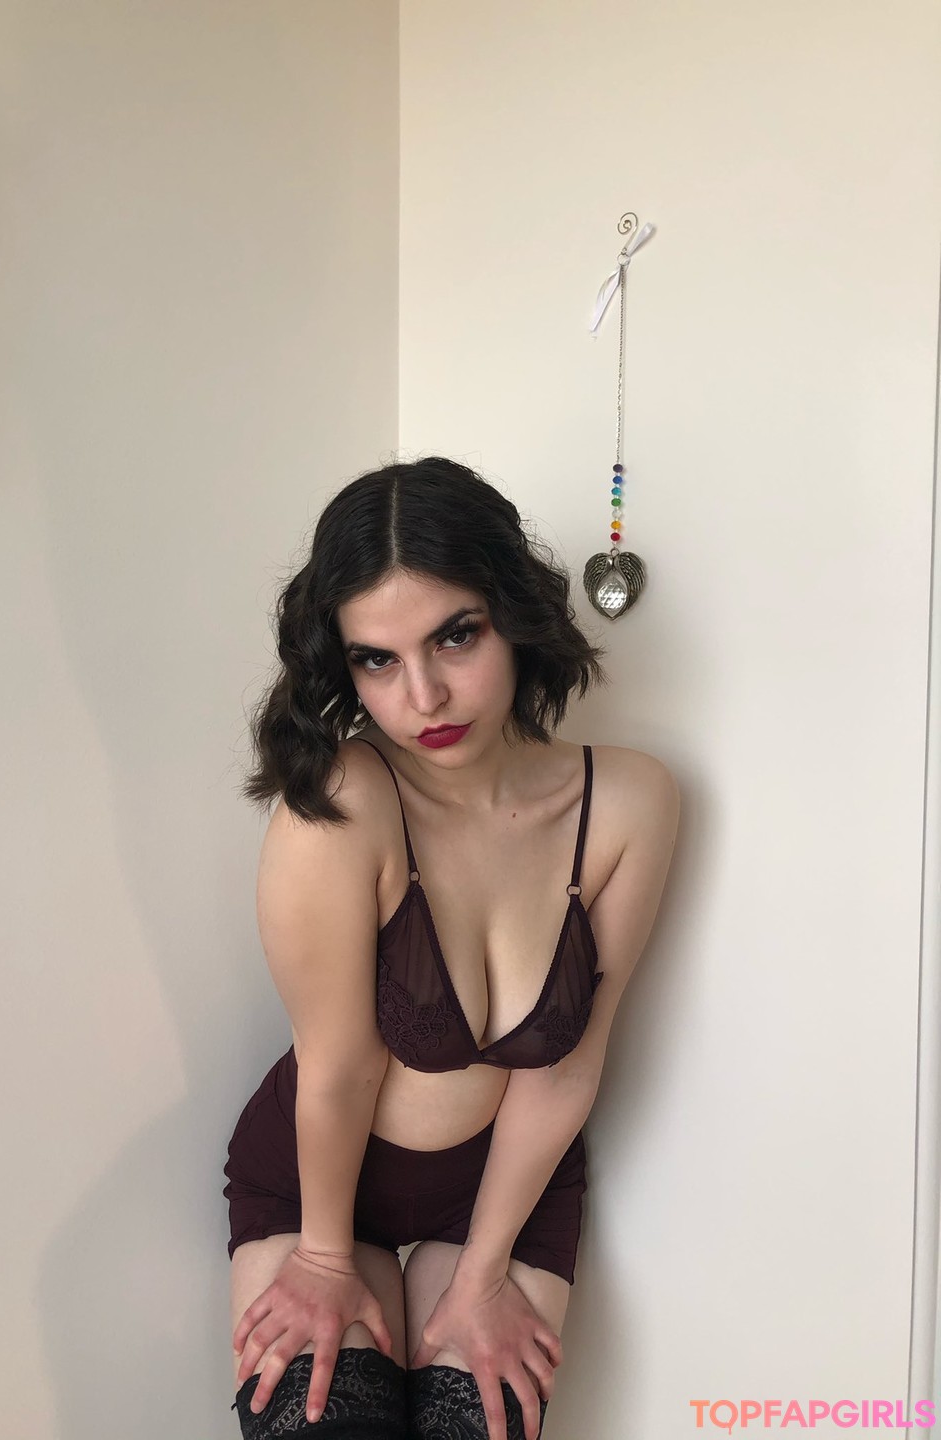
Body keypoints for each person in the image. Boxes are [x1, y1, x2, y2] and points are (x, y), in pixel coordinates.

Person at [224, 456, 680, 1440]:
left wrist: (483, 1274)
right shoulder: (345, 802)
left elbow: (567, 1064)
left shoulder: (629, 804)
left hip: (506, 1193)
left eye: (455, 635)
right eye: (376, 660)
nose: (424, 695)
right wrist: (324, 1259)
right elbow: (338, 1068)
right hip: (319, 1186)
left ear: (515, 614)